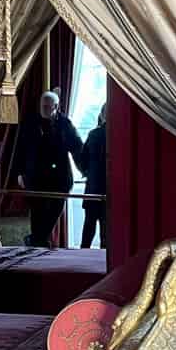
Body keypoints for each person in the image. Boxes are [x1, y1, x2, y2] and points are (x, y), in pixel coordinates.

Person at [17, 90, 84, 248]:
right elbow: (21, 149)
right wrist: (19, 172)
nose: (45, 109)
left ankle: (35, 241)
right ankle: (38, 244)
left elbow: (77, 148)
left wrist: (85, 169)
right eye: (43, 106)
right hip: (35, 177)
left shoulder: (65, 124)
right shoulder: (31, 123)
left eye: (49, 106)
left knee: (54, 212)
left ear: (56, 106)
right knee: (37, 214)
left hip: (59, 178)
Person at [81, 103, 107, 249]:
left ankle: (80, 262)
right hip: (109, 190)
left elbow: (83, 159)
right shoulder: (119, 133)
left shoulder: (93, 134)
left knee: (88, 231)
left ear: (101, 115)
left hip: (92, 188)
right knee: (106, 234)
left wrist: (87, 173)